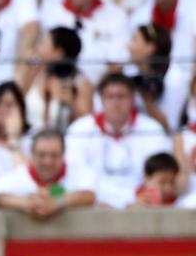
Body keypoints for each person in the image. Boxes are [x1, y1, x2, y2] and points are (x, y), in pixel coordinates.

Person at [64, 72, 172, 209]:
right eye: (110, 97)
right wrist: (96, 202)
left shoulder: (152, 129)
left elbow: (161, 174)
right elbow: (74, 172)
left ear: (132, 98)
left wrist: (143, 198)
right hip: (93, 205)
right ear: (101, 100)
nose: (115, 102)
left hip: (139, 206)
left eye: (121, 96)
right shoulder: (79, 129)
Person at [39, 0, 129, 83]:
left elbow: (116, 66)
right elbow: (42, 59)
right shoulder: (49, 14)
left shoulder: (117, 16)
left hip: (100, 97)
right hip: (56, 89)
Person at [0, 129, 97, 219]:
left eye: (54, 155)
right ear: (31, 154)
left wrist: (57, 203)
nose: (48, 162)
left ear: (63, 154)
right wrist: (25, 203)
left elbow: (89, 195)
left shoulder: (78, 172)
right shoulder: (18, 174)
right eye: (42, 155)